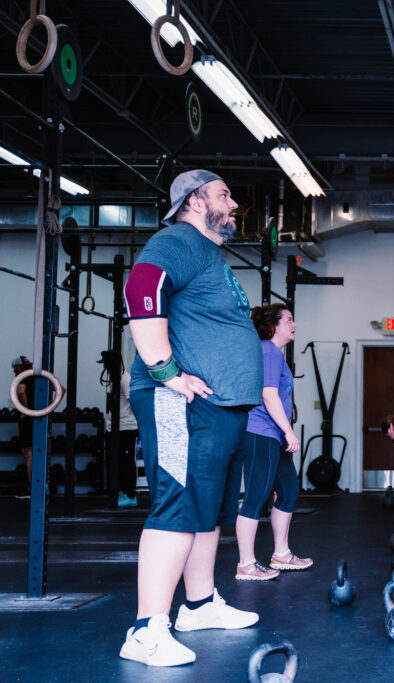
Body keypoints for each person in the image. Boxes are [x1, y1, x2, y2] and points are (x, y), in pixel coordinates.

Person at [119, 169, 263, 667]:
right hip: (183, 402)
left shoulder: (208, 253)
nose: (234, 205)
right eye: (225, 194)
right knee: (177, 505)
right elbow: (142, 286)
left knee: (209, 510)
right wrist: (165, 372)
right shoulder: (177, 239)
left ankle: (199, 605)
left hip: (218, 406)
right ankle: (145, 630)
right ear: (196, 200)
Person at [234, 303, 312, 581]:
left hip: (273, 434)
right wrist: (289, 432)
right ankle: (246, 563)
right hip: (260, 432)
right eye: (289, 320)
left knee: (288, 490)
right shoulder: (268, 350)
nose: (294, 325)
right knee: (256, 496)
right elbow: (269, 395)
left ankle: (281, 554)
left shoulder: (274, 353)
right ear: (273, 325)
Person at [103, 354, 140, 508]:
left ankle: (130, 495)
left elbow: (135, 402)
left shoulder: (125, 380)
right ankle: (121, 492)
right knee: (115, 462)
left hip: (126, 428)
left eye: (108, 365)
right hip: (113, 429)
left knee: (126, 463)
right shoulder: (113, 381)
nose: (105, 368)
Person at [11, 356, 37, 492]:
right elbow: (61, 390)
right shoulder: (38, 377)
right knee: (35, 453)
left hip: (28, 419)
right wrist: (50, 408)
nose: (13, 371)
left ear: (19, 367)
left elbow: (21, 391)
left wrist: (25, 409)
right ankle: (38, 487)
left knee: (29, 454)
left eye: (14, 369)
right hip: (39, 417)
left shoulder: (22, 378)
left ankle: (33, 489)